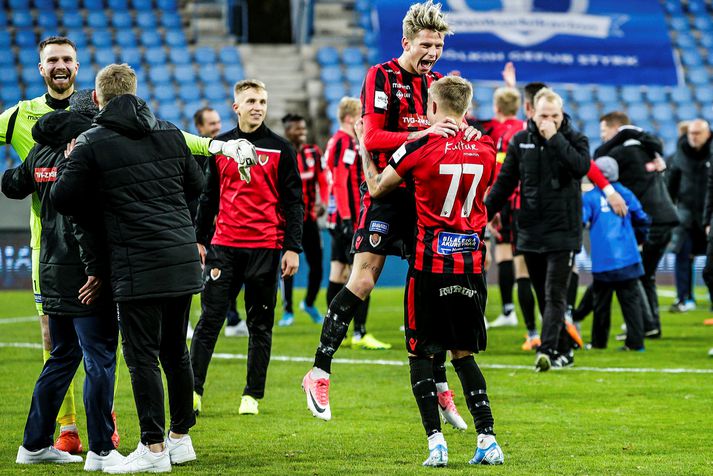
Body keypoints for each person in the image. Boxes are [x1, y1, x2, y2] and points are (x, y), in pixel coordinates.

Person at [303, 1, 472, 428]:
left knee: (426, 289)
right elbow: (374, 136)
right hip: (385, 194)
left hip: (423, 200)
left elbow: (445, 136)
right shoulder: (381, 76)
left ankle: (438, 382)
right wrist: (427, 130)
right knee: (362, 279)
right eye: (425, 44)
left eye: (437, 45)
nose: (432, 52)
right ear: (406, 42)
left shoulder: (437, 83)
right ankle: (319, 371)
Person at [51, 64, 207, 473]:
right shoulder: (170, 131)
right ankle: (180, 438)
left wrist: (71, 166)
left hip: (136, 264)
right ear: (135, 93)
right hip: (180, 259)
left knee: (142, 359)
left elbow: (63, 197)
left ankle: (153, 448)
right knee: (176, 352)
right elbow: (197, 186)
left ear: (98, 98)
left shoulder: (91, 141)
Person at [358, 76, 503, 466]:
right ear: (467, 109)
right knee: (463, 354)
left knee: (420, 352)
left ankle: (436, 443)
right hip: (471, 264)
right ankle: (487, 439)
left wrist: (362, 142)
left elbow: (376, 188)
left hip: (429, 265)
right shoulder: (487, 145)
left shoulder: (420, 145)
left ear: (432, 110)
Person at [5, 99, 122, 469]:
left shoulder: (41, 151)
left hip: (50, 269)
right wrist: (97, 270)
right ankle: (102, 451)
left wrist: (37, 170)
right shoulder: (87, 151)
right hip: (84, 275)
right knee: (100, 358)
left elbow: (11, 185)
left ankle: (34, 445)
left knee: (62, 357)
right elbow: (82, 220)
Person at [191, 79, 303, 417]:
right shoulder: (219, 146)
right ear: (236, 106)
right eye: (251, 100)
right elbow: (209, 197)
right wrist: (199, 238)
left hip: (266, 249)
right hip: (223, 247)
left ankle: (252, 395)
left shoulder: (282, 149)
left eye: (263, 101)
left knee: (260, 325)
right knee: (209, 321)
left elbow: (294, 203)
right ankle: (193, 391)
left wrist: (292, 247)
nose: (258, 106)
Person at [486, 88, 590, 371]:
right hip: (530, 229)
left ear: (561, 114)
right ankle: (564, 350)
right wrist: (482, 214)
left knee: (554, 293)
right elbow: (505, 183)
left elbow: (580, 167)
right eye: (544, 115)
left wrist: (554, 138)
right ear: (532, 112)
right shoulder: (521, 141)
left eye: (554, 116)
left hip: (564, 230)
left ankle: (546, 350)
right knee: (541, 291)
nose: (549, 120)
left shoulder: (575, 139)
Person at [593, 112, 678, 339]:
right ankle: (650, 325)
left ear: (616, 130)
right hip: (665, 218)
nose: (603, 138)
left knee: (635, 275)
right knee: (645, 275)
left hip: (652, 222)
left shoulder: (622, 153)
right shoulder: (647, 150)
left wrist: (622, 135)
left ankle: (645, 324)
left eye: (605, 133)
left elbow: (597, 159)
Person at [582, 157, 650, 351]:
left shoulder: (589, 197)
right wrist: (638, 239)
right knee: (631, 303)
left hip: (603, 260)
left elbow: (581, 220)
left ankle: (598, 343)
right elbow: (642, 218)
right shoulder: (626, 193)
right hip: (628, 257)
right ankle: (636, 344)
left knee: (601, 304)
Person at [192, 107, 248, 339]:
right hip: (196, 222)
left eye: (217, 122)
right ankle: (184, 321)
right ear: (200, 128)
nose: (217, 127)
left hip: (223, 224)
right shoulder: (194, 155)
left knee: (227, 273)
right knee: (193, 273)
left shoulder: (227, 150)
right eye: (211, 124)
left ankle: (232, 317)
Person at [324, 97, 373, 344]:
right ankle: (359, 332)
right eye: (361, 116)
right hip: (350, 217)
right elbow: (342, 181)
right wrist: (346, 216)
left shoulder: (335, 140)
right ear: (350, 118)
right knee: (362, 273)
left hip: (337, 217)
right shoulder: (346, 143)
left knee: (337, 272)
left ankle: (332, 326)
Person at [479, 86, 524, 329]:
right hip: (520, 199)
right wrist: (511, 85)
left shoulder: (493, 128)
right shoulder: (523, 128)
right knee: (512, 254)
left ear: (496, 108)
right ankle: (509, 310)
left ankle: (480, 314)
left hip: (495, 197)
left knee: (486, 255)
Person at [279, 113, 329, 326]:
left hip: (309, 219)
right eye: (298, 129)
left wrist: (323, 202)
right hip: (287, 221)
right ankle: (288, 310)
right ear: (288, 131)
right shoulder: (282, 153)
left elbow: (323, 181)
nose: (302, 133)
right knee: (287, 266)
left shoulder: (313, 152)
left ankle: (309, 303)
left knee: (317, 266)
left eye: (304, 129)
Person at [667, 119, 712, 312]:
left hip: (709, 216)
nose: (693, 137)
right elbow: (671, 185)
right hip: (685, 215)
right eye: (691, 133)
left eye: (697, 133)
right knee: (682, 254)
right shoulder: (680, 155)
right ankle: (683, 298)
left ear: (707, 134)